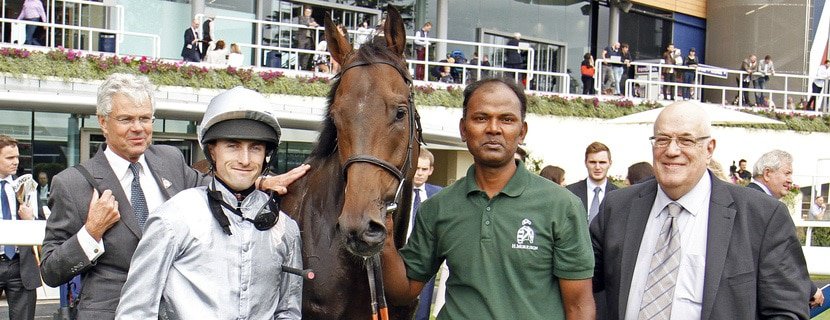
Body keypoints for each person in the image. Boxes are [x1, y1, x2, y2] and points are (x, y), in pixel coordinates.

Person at [40, 73, 309, 319]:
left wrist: (261, 181)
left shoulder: (169, 159)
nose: (138, 128)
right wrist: (91, 233)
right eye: (126, 119)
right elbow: (51, 271)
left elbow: (220, 186)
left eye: (145, 118)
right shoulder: (72, 183)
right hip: (114, 309)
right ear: (103, 122)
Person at [381, 78, 595, 319]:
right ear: (463, 129)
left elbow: (579, 306)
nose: (494, 128)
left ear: (522, 131)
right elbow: (404, 290)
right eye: (481, 118)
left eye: (507, 119)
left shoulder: (561, 206)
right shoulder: (438, 207)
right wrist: (386, 241)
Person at [591, 101, 812, 319]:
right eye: (662, 140)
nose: (672, 150)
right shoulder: (617, 207)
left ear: (709, 148)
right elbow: (579, 281)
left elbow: (787, 310)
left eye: (686, 140)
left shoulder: (762, 217)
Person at [115, 87, 302, 319]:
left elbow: (288, 311)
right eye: (232, 146)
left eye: (255, 148)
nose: (244, 160)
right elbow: (136, 311)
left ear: (267, 154)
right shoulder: (173, 218)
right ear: (213, 151)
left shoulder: (286, 230)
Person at [744, 149, 824, 308]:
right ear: (767, 173)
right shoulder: (770, 207)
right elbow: (781, 258)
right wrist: (810, 289)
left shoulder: (741, 198)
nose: (790, 180)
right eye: (787, 173)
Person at [0, 135, 41, 320]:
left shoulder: (26, 186)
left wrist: (30, 219)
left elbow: (42, 226)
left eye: (17, 157)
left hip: (21, 264)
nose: (16, 162)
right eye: (10, 158)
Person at [407, 146, 443, 320]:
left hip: (427, 259)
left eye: (424, 169)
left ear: (430, 170)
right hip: (399, 256)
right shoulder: (398, 192)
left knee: (422, 310)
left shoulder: (439, 196)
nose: (419, 173)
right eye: (416, 168)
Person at [566, 141, 618, 224]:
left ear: (610, 163)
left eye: (602, 162)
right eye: (593, 162)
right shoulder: (570, 192)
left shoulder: (618, 194)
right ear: (585, 163)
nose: (597, 167)